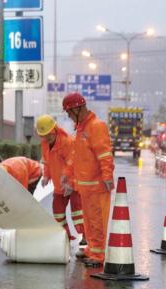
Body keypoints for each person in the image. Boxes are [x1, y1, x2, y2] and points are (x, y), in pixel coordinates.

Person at [62, 92, 114, 267]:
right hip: (85, 186)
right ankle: (92, 248)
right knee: (89, 222)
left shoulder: (96, 127)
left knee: (97, 221)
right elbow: (76, 157)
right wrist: (68, 177)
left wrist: (107, 176)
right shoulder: (81, 129)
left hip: (97, 185)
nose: (69, 117)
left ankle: (98, 255)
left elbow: (105, 155)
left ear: (77, 109)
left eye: (69, 113)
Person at [36, 114, 85, 242]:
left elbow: (74, 164)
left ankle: (85, 239)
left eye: (48, 135)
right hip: (59, 185)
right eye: (44, 136)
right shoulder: (45, 144)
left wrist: (70, 184)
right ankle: (65, 237)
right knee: (58, 213)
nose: (46, 138)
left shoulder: (67, 142)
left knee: (77, 214)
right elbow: (47, 162)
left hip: (73, 185)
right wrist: (46, 176)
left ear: (54, 130)